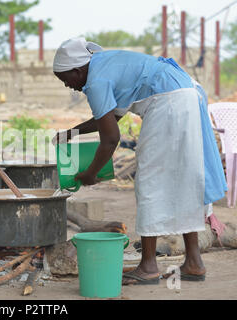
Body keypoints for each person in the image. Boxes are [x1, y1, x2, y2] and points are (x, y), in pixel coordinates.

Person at [52, 37, 227, 285]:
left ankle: (148, 266)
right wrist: (72, 132)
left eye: (65, 79)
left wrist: (91, 173)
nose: (68, 86)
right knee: (187, 179)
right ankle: (194, 262)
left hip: (169, 103)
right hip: (186, 93)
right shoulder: (106, 64)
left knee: (149, 182)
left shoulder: (95, 81)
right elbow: (110, 117)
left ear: (77, 71)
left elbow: (111, 138)